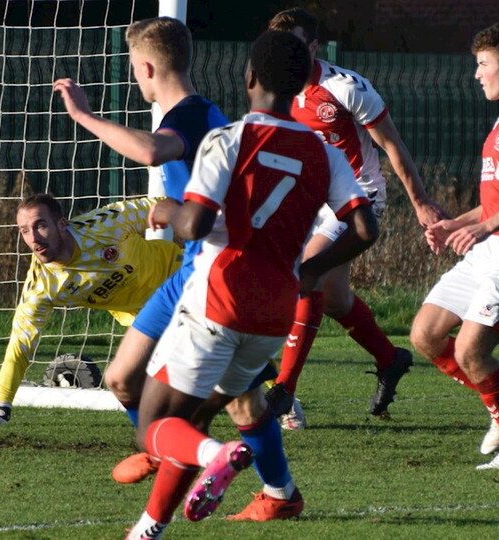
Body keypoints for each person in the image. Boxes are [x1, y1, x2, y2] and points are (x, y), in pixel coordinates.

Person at [124, 30, 378, 539]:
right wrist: (310, 271)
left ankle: (216, 455)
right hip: (275, 314)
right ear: (300, 85)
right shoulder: (324, 152)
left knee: (154, 427)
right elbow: (366, 228)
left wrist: (167, 210)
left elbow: (195, 225)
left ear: (250, 77)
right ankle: (149, 528)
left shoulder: (228, 139)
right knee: (206, 415)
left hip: (218, 300)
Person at [54, 17, 310, 521]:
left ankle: (273, 492)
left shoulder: (192, 115)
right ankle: (170, 453)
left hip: (212, 276)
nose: (135, 77)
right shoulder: (196, 113)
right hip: (190, 273)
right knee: (123, 379)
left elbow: (152, 150)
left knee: (237, 401)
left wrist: (83, 116)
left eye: (134, 68)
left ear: (147, 68)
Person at [265, 7, 448, 420]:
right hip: (308, 200)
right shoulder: (276, 90)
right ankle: (390, 358)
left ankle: (284, 391)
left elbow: (392, 144)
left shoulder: (345, 87)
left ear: (314, 46)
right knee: (335, 299)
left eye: (296, 45)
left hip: (357, 196)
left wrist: (420, 201)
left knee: (308, 271)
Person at [409, 22, 499, 470]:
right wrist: (457, 223)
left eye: (483, 64)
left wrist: (486, 227)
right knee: (426, 334)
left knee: (470, 351)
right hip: (491, 248)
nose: (476, 74)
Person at [0, 194, 182, 425]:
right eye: (24, 231)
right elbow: (20, 347)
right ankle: (155, 435)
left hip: (182, 279)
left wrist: (201, 227)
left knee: (194, 378)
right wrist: (0, 408)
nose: (33, 238)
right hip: (146, 319)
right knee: (121, 381)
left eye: (40, 226)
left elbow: (162, 204)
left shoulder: (105, 225)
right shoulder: (42, 288)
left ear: (62, 225)